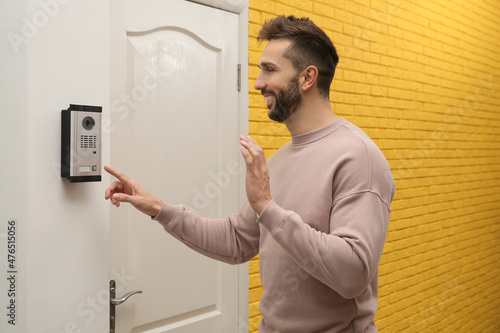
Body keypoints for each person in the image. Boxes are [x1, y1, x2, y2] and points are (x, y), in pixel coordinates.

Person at [105, 15, 395, 333]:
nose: (258, 83)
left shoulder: (359, 157)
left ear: (307, 77)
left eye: (269, 70)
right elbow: (237, 240)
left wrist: (268, 208)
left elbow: (353, 273)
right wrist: (159, 208)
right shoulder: (282, 159)